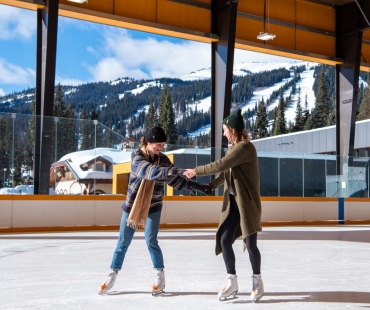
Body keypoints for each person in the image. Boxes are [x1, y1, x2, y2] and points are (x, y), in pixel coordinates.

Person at [99, 126, 211, 295]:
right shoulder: (137, 156)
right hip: (133, 205)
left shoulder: (164, 160)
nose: (161, 148)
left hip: (154, 206)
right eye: (159, 144)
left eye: (163, 144)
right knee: (123, 242)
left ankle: (160, 275)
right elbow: (146, 171)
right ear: (149, 142)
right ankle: (112, 274)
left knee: (151, 240)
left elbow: (176, 180)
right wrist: (171, 170)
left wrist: (199, 187)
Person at [183, 109, 264, 302]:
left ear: (233, 130)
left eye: (225, 129)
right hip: (234, 204)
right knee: (225, 240)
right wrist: (211, 186)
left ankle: (257, 281)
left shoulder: (245, 148)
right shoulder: (235, 147)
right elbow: (225, 172)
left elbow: (221, 164)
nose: (224, 133)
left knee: (251, 244)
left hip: (247, 204)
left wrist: (196, 171)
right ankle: (232, 280)